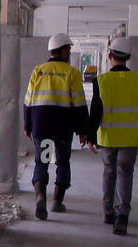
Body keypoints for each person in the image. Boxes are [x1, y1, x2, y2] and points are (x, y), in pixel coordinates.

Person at [88, 36, 138, 235]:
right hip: (130, 137)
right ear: (128, 57)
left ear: (109, 55)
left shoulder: (101, 81)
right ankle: (122, 217)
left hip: (108, 137)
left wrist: (91, 136)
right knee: (125, 174)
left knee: (109, 172)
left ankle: (108, 212)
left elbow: (96, 112)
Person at [23, 33, 91, 220]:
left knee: (42, 161)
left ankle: (40, 197)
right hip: (62, 127)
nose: (69, 52)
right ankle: (57, 202)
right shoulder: (72, 73)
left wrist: (28, 125)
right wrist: (83, 130)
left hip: (42, 125)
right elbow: (79, 104)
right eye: (67, 49)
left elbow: (28, 101)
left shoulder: (38, 70)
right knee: (62, 162)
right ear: (60, 51)